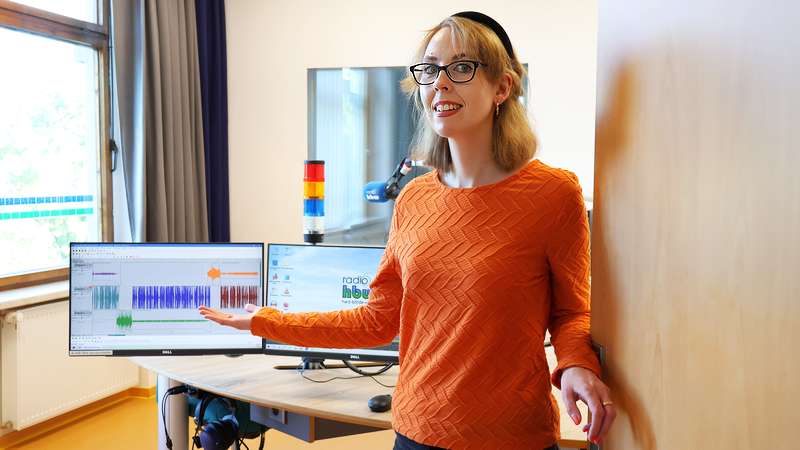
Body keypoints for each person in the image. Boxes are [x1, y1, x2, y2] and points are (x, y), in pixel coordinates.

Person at [200, 11, 616, 450]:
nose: (441, 82)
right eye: (430, 69)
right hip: (416, 432)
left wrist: (576, 365)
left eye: (461, 67)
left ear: (502, 87)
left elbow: (572, 312)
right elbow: (376, 321)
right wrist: (267, 322)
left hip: (514, 436)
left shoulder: (553, 193)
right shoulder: (414, 199)